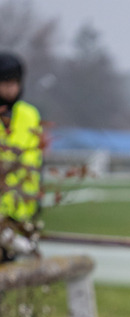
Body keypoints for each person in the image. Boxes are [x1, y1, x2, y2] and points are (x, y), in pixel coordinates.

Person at [0, 51, 43, 260]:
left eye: (14, 83)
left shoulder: (30, 115)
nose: (10, 88)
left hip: (19, 212)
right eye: (5, 82)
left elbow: (35, 163)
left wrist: (34, 204)